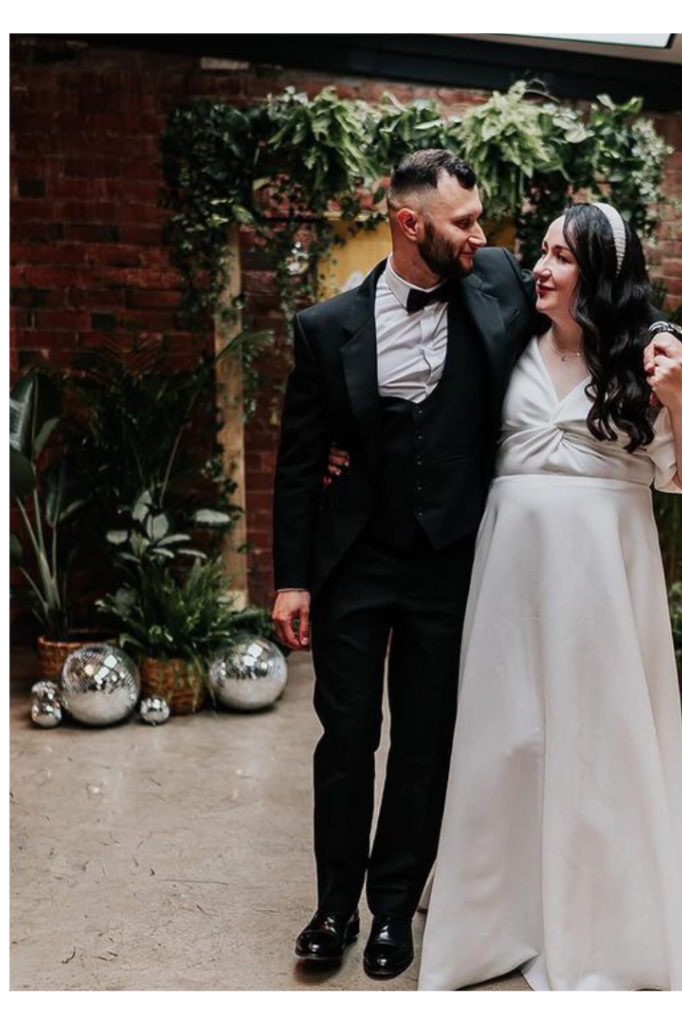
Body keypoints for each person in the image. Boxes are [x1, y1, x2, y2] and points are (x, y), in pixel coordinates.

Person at [414, 203, 682, 991]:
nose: (542, 268)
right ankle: (493, 919)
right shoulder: (506, 345)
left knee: (601, 744)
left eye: (562, 257)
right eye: (544, 252)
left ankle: (605, 929)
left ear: (600, 276)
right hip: (510, 579)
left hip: (602, 587)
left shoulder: (651, 361)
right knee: (506, 739)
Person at [270, 150, 541, 979]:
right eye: (463, 220)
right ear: (407, 222)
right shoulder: (325, 329)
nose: (480, 233)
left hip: (450, 559)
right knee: (346, 739)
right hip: (354, 560)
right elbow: (297, 459)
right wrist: (292, 577)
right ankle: (331, 908)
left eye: (480, 218)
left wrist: (660, 335)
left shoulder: (496, 279)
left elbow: (588, 309)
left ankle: (393, 910)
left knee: (426, 743)